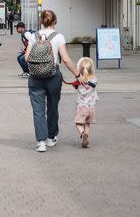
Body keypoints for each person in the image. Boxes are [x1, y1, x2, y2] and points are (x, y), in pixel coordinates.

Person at [24, 9, 81, 153]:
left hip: (35, 77)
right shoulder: (59, 37)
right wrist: (77, 74)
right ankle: (51, 137)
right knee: (53, 106)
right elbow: (66, 59)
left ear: (41, 22)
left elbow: (26, 58)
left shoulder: (33, 36)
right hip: (53, 75)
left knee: (38, 110)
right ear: (55, 21)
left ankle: (41, 142)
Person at [68, 57, 98, 148]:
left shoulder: (79, 82)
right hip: (91, 107)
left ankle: (82, 133)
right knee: (87, 124)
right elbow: (91, 82)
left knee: (78, 123)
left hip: (81, 107)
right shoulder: (94, 80)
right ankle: (86, 139)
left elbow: (76, 86)